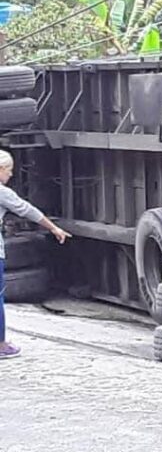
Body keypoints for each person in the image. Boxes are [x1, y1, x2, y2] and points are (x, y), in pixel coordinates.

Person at [0, 149, 71, 360]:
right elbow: (27, 210)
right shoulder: (2, 192)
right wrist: (54, 228)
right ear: (0, 169)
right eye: (9, 170)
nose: (11, 174)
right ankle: (1, 345)